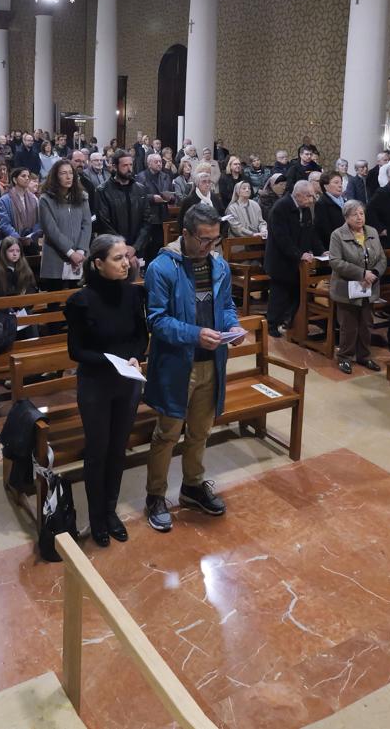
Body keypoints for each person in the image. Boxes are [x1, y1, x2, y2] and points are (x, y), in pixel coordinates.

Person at [141, 203, 240, 533]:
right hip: (176, 365)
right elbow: (157, 321)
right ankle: (155, 495)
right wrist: (195, 334)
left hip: (211, 362)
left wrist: (233, 328)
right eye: (203, 240)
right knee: (167, 433)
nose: (209, 247)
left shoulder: (218, 265)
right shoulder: (162, 267)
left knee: (200, 431)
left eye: (215, 239)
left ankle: (192, 486)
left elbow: (225, 307)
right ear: (184, 234)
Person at [65, 235, 147, 548]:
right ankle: (97, 516)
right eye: (117, 258)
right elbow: (76, 351)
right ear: (98, 264)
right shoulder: (80, 301)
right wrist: (112, 362)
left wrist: (137, 356)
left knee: (117, 449)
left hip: (127, 383)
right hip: (96, 384)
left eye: (126, 257)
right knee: (98, 452)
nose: (126, 263)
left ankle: (110, 511)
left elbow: (141, 336)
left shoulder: (132, 294)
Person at [328, 200, 385, 374]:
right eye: (355, 214)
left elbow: (382, 257)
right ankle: (345, 357)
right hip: (347, 287)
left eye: (361, 213)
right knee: (348, 325)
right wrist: (361, 273)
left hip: (369, 286)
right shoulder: (337, 235)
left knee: (367, 324)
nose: (359, 217)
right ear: (346, 217)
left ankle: (364, 356)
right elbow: (335, 261)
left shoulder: (372, 231)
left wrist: (374, 272)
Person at [264, 178, 322, 338]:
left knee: (297, 292)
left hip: (297, 261)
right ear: (298, 195)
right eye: (309, 196)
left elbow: (311, 233)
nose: (312, 200)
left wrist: (321, 251)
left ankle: (288, 321)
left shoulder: (305, 209)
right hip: (280, 259)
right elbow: (282, 237)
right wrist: (299, 254)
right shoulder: (281, 208)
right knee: (279, 293)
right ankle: (272, 324)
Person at [38, 160, 92, 291]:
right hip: (56, 256)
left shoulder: (82, 197)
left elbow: (87, 224)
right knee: (54, 303)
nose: (68, 177)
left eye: (70, 173)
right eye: (63, 173)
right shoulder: (46, 199)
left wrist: (80, 251)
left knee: (79, 302)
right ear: (56, 177)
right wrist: (70, 253)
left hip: (80, 257)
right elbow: (51, 230)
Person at [93, 152, 150, 253]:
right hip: (113, 248)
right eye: (125, 165)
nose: (129, 169)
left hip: (137, 249)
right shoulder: (103, 191)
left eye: (131, 165)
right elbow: (104, 223)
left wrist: (135, 247)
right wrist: (122, 246)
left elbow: (147, 221)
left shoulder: (141, 189)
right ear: (115, 167)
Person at [136, 153, 176, 262]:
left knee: (160, 244)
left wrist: (170, 198)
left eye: (160, 162)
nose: (159, 164)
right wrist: (153, 198)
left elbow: (173, 194)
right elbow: (138, 196)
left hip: (163, 216)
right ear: (149, 164)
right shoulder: (141, 176)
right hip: (149, 216)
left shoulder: (165, 176)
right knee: (148, 245)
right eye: (156, 162)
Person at [313, 170, 347, 243]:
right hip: (334, 244)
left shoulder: (346, 202)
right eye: (336, 182)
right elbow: (325, 230)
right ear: (325, 186)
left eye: (341, 182)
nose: (340, 185)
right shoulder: (321, 203)